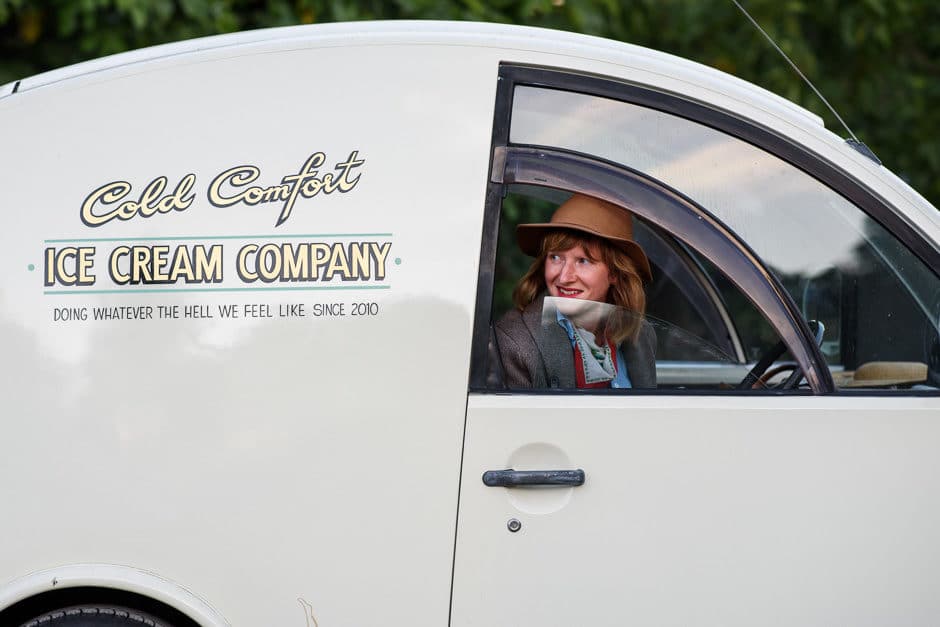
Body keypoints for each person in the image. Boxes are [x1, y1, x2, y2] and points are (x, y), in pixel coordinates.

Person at [491, 193, 656, 389]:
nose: (564, 277)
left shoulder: (641, 334)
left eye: (583, 261)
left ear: (615, 273)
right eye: (555, 258)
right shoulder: (516, 342)